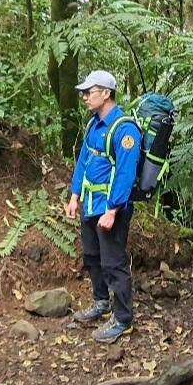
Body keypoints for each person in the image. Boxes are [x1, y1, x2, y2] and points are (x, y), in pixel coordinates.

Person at [65, 70, 142, 344]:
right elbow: (84, 161)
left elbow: (125, 173)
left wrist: (112, 210)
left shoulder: (125, 129)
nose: (85, 97)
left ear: (106, 93)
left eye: (90, 92)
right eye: (84, 92)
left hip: (112, 209)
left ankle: (123, 320)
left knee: (113, 262)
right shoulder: (93, 125)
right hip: (90, 203)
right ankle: (101, 302)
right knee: (92, 257)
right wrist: (75, 196)